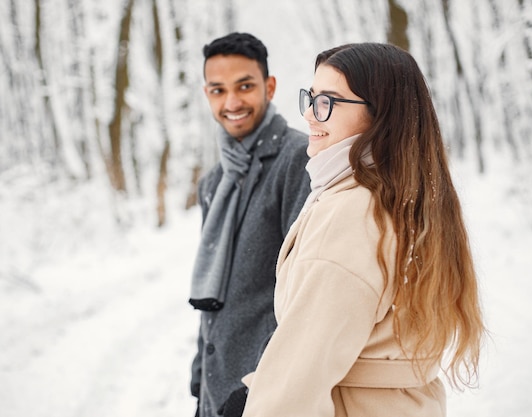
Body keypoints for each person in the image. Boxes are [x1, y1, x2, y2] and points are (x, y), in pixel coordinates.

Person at [237, 43, 485, 417]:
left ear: (379, 114)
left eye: (328, 102)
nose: (309, 115)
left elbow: (295, 389)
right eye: (311, 98)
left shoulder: (351, 214)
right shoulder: (409, 199)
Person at [188, 32, 311, 417]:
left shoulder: (299, 161)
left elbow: (305, 292)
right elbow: (215, 286)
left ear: (269, 86)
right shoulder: (213, 183)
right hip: (214, 390)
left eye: (244, 86)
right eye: (217, 90)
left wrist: (258, 386)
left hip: (263, 395)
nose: (232, 102)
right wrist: (200, 373)